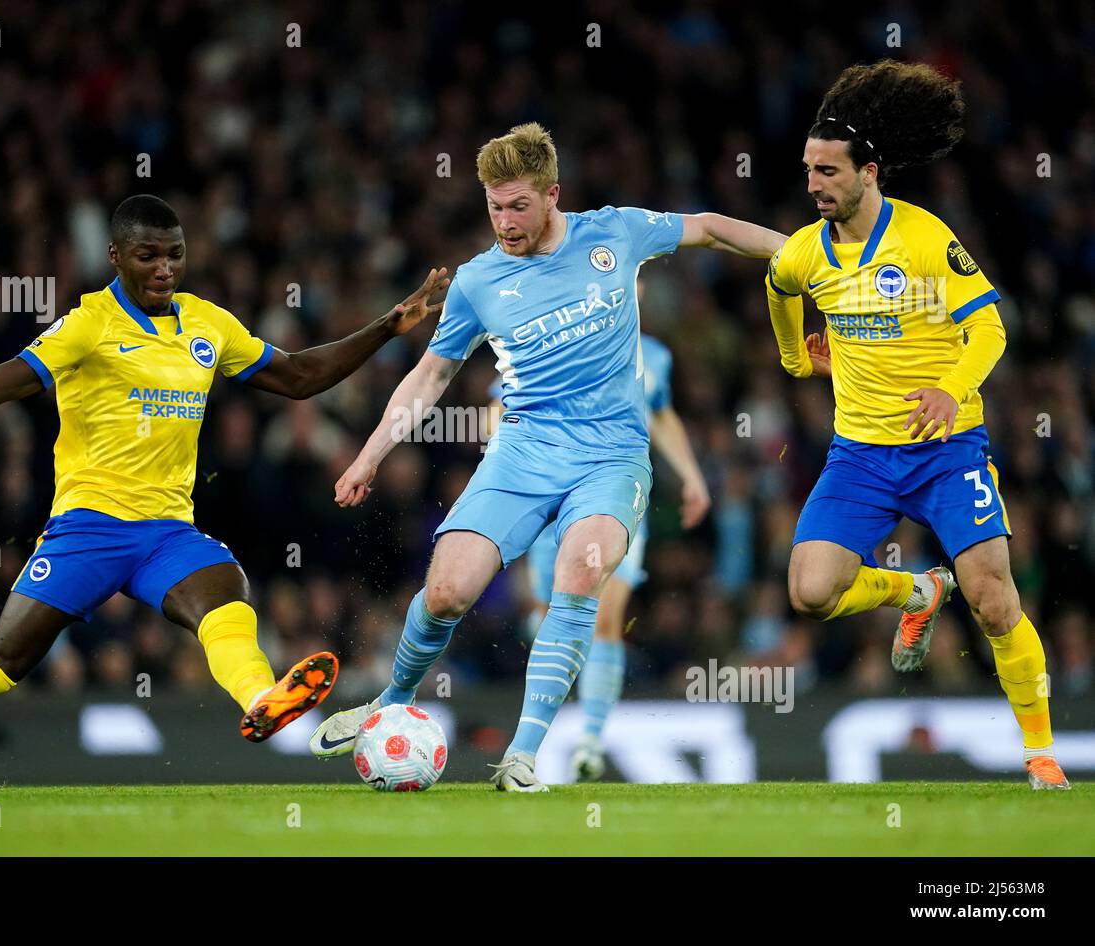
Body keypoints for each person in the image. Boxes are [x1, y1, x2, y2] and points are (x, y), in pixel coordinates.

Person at [0, 194, 448, 792]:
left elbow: (302, 376)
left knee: (224, 587)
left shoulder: (207, 325)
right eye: (149, 255)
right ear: (116, 256)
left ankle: (260, 700)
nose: (165, 267)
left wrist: (389, 326)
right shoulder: (88, 324)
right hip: (86, 529)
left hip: (166, 531)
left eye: (175, 253)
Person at [309, 123, 784, 791]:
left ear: (552, 194)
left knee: (579, 575)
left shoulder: (615, 233)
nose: (504, 221)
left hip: (612, 459)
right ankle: (388, 701)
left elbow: (707, 227)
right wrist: (369, 456)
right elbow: (432, 376)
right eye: (494, 207)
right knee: (446, 593)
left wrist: (802, 255)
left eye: (518, 206)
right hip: (522, 456)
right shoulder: (478, 282)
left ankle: (524, 754)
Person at [765, 61, 1068, 789]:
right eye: (809, 170)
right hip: (860, 457)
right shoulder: (807, 249)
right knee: (810, 590)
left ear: (869, 172)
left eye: (829, 172)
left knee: (994, 599)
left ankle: (1041, 752)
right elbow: (778, 284)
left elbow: (991, 326)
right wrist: (796, 360)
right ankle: (915, 593)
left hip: (946, 450)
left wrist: (950, 389)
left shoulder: (926, 239)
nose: (815, 185)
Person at [511, 325, 709, 782]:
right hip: (552, 493)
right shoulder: (554, 329)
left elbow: (660, 415)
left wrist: (691, 475)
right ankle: (536, 733)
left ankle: (591, 740)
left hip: (616, 496)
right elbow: (501, 407)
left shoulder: (655, 355)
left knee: (603, 617)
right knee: (551, 617)